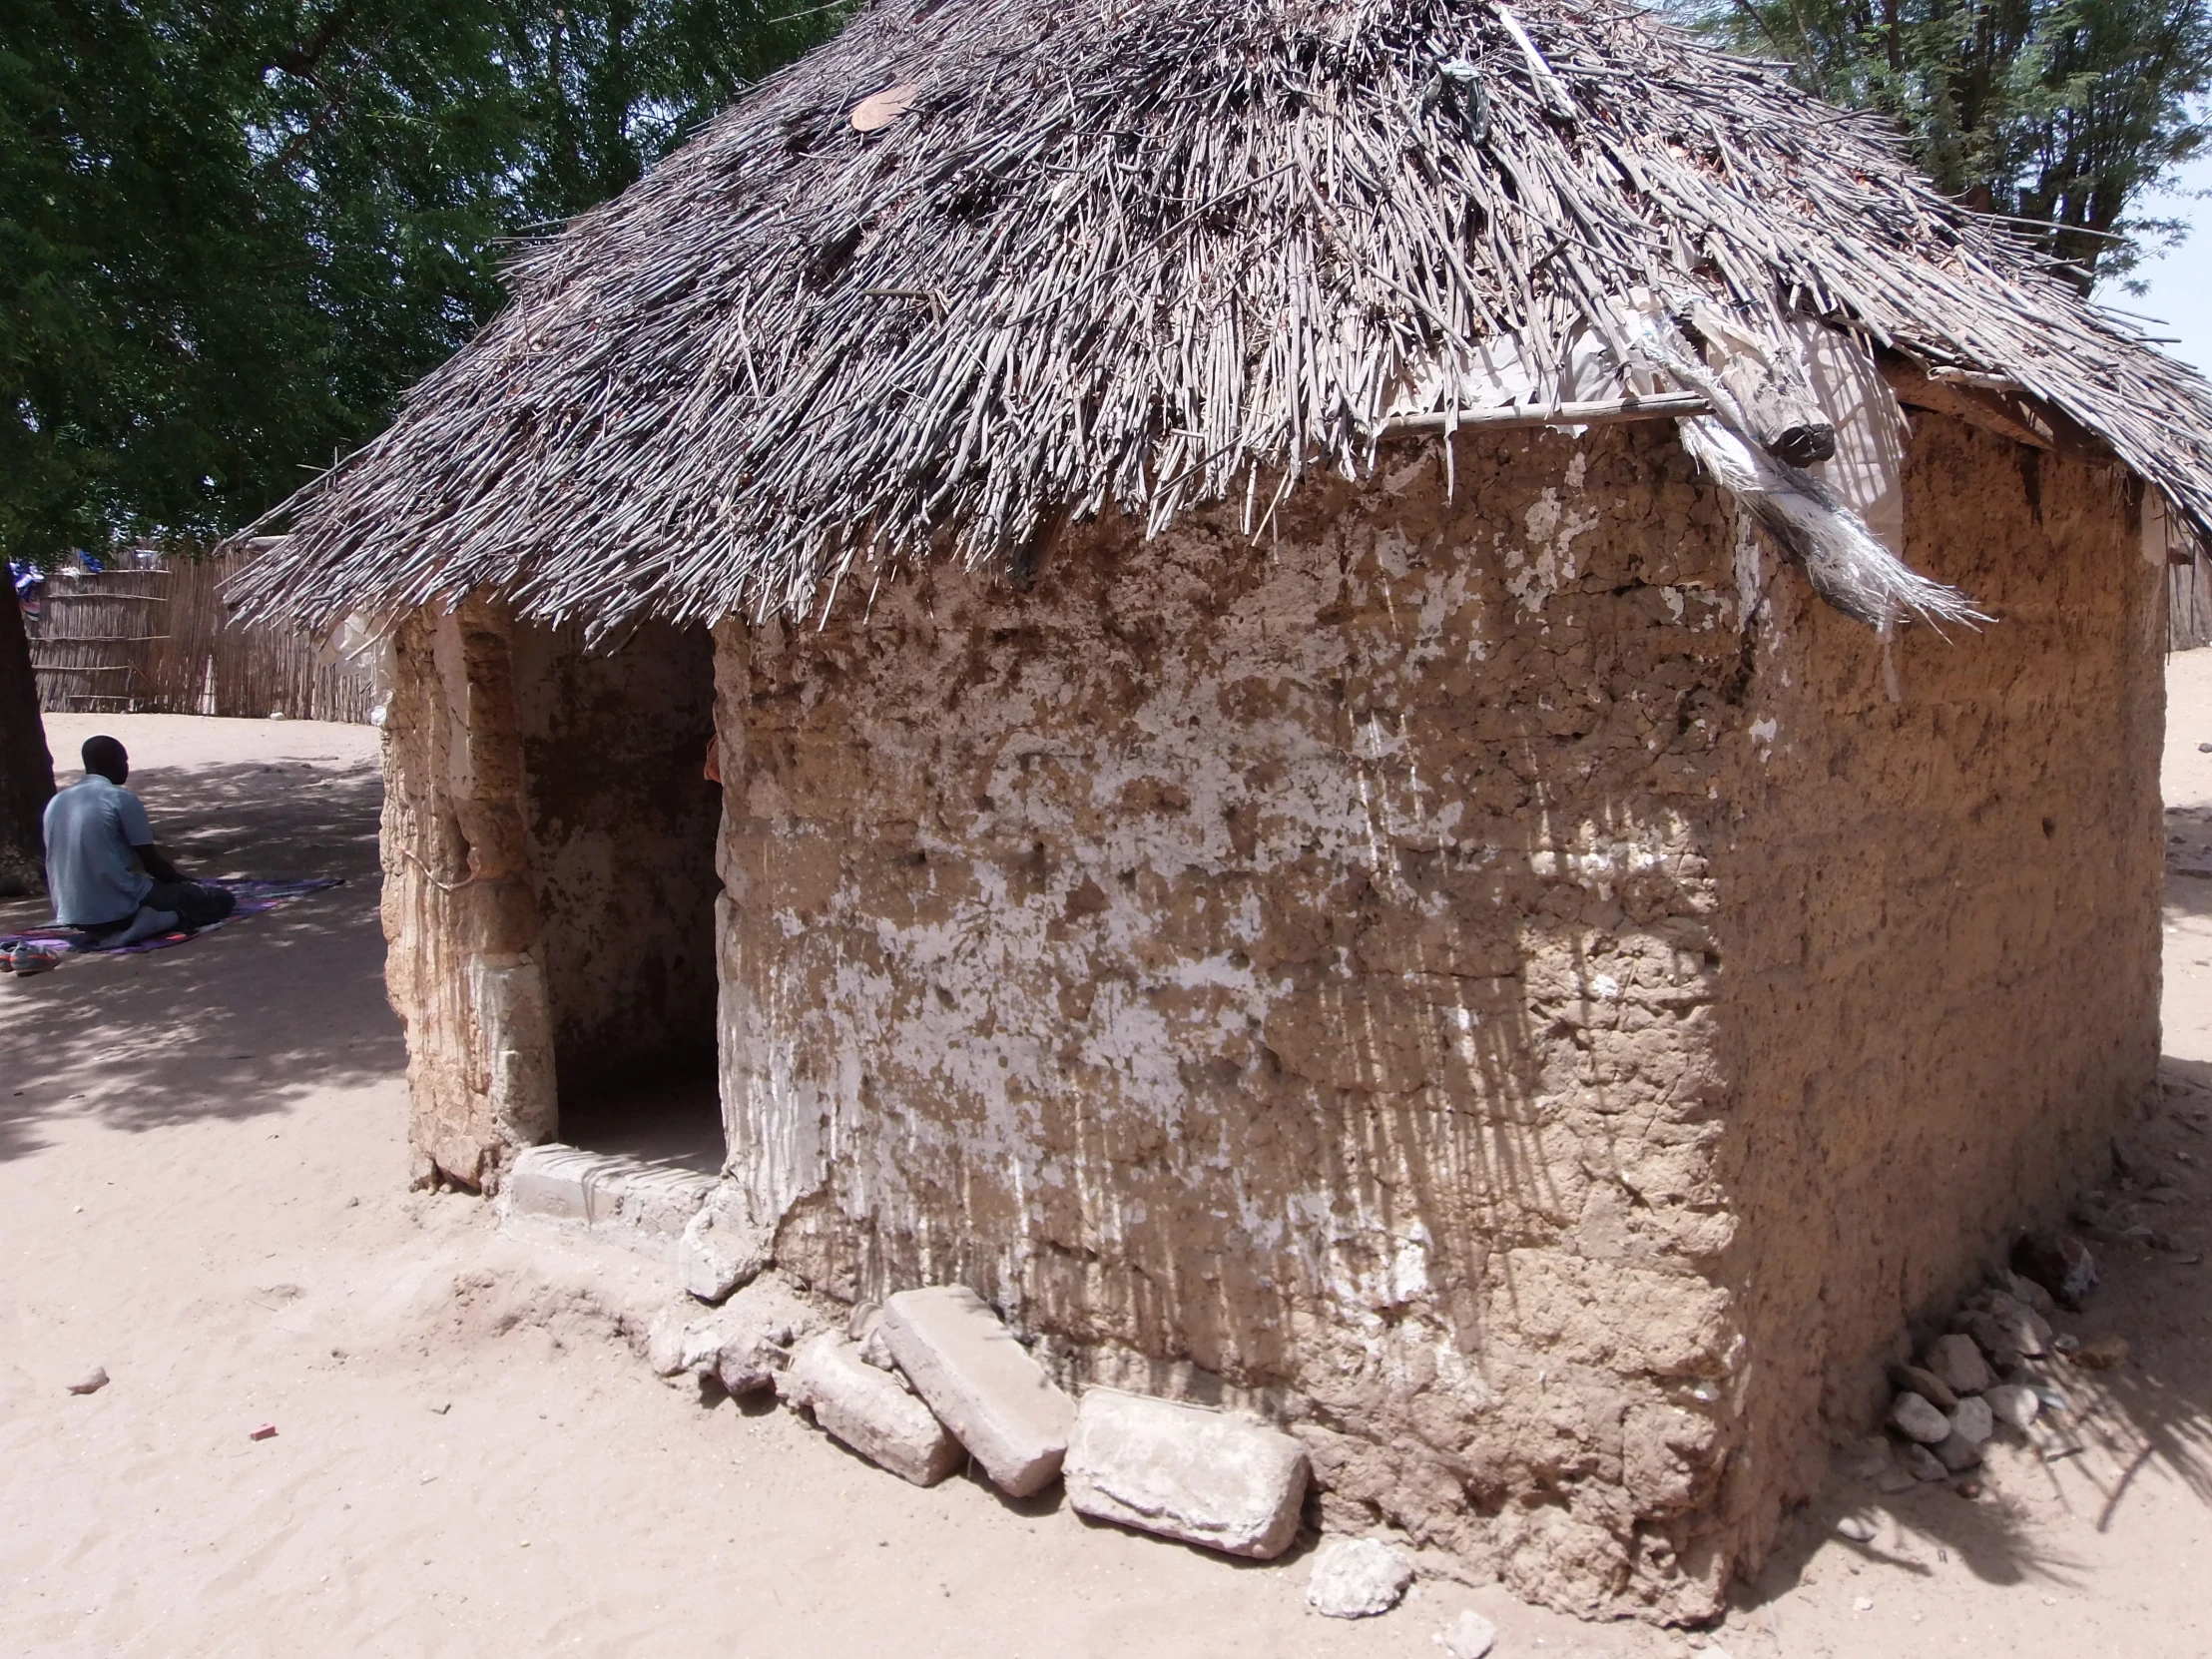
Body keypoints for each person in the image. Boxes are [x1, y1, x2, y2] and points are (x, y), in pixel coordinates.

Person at [43, 736, 236, 945]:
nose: (126, 767)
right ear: (110, 761)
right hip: (116, 909)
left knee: (150, 890)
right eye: (123, 761)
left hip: (71, 912)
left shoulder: (56, 802)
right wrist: (185, 883)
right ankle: (154, 923)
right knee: (219, 899)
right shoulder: (119, 798)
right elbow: (152, 863)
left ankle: (131, 921)